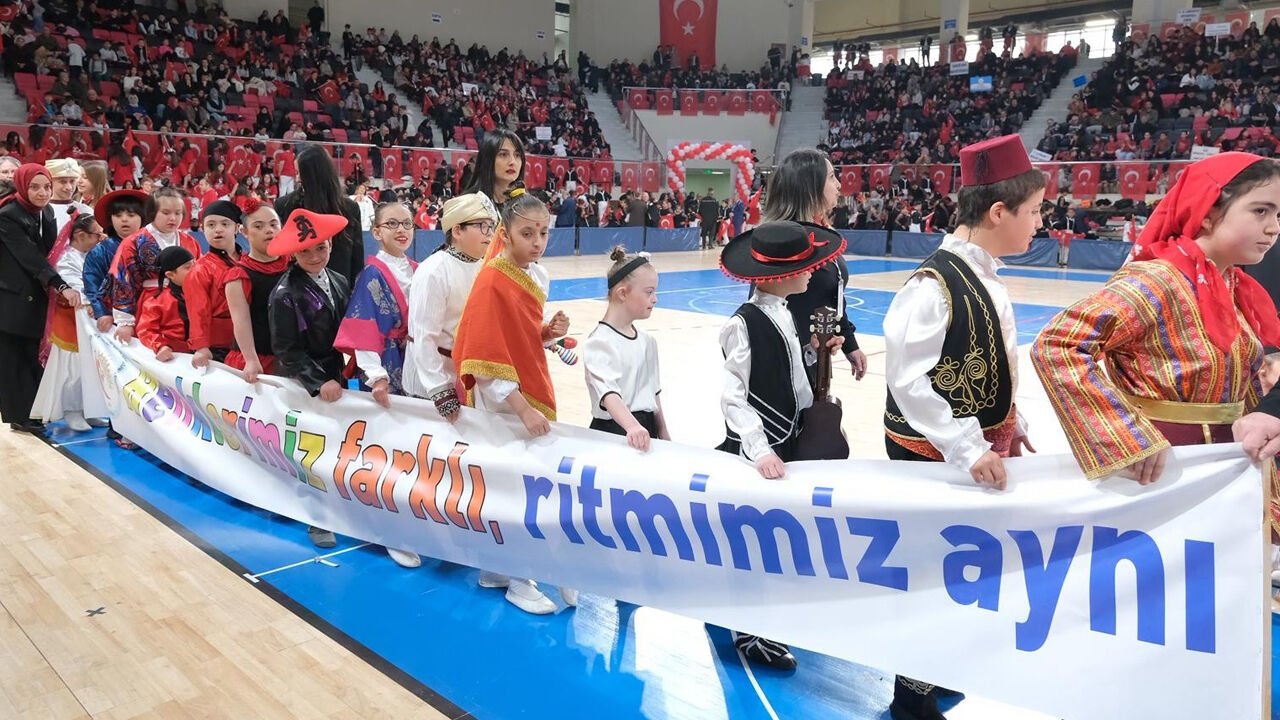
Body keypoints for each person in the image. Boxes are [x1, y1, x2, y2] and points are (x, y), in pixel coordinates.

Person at [883, 134, 1045, 720]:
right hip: (936, 453)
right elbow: (909, 380)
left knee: (962, 569)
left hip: (972, 446)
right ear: (998, 212)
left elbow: (990, 360)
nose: (1040, 223)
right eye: (1034, 211)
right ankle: (911, 694)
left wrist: (1011, 420)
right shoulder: (932, 286)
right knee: (931, 571)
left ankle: (935, 671)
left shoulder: (983, 274)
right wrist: (967, 445)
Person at [1033, 154, 1280, 492]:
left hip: (1226, 466)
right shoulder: (1156, 281)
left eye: (1278, 215)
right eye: (1260, 211)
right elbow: (1059, 343)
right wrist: (1125, 436)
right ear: (1207, 213)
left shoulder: (1234, 287)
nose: (1274, 228)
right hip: (1163, 470)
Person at [715, 220, 846, 671]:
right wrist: (759, 447)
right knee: (753, 541)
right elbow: (733, 395)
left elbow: (790, 377)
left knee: (774, 538)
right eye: (805, 267)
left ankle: (766, 618)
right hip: (760, 452)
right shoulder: (743, 325)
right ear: (777, 276)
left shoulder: (784, 313)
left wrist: (813, 352)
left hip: (786, 441)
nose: (812, 273)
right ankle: (748, 632)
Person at [453, 190, 575, 614]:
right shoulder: (492, 281)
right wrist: (523, 409)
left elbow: (518, 337)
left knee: (517, 484)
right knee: (513, 487)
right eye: (527, 233)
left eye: (543, 233)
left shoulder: (534, 275)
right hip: (504, 404)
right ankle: (519, 578)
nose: (537, 242)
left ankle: (495, 569)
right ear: (505, 234)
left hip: (523, 393)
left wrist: (547, 332)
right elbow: (485, 360)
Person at [332, 200, 421, 568]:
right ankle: (387, 530)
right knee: (386, 449)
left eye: (407, 223)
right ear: (377, 231)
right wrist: (377, 376)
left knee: (412, 449)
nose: (401, 230)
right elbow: (363, 326)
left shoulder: (419, 270)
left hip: (415, 365)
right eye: (392, 224)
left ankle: (410, 520)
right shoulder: (371, 274)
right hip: (386, 365)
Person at [268, 209, 353, 551]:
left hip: (335, 376)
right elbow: (285, 349)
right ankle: (316, 518)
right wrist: (317, 381)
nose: (315, 256)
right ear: (293, 253)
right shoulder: (284, 293)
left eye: (321, 247)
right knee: (309, 449)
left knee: (334, 444)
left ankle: (336, 505)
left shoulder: (339, 280)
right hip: (302, 383)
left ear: (330, 245)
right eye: (305, 251)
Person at [766, 149, 869, 390]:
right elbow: (766, 312)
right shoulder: (783, 241)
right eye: (831, 177)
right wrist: (807, 349)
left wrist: (849, 343)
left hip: (815, 358)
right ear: (809, 187)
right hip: (785, 368)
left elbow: (833, 297)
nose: (839, 185)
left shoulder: (822, 231)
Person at [403, 193, 498, 421]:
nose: (490, 234)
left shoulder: (486, 267)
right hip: (430, 382)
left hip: (467, 374)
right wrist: (440, 389)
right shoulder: (435, 270)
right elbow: (424, 336)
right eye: (483, 226)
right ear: (457, 231)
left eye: (492, 227)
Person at [0, 164, 79, 435]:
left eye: (46, 187)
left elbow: (51, 253)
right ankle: (20, 416)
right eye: (34, 187)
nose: (42, 193)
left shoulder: (46, 212)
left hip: (38, 294)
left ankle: (35, 412)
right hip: (11, 297)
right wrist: (60, 285)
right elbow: (29, 256)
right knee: (14, 358)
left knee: (33, 356)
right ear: (22, 186)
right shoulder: (7, 215)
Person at [583, 246, 669, 450]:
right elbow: (609, 394)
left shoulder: (648, 342)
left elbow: (653, 395)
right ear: (622, 293)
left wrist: (663, 432)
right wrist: (632, 426)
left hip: (645, 430)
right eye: (649, 292)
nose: (655, 299)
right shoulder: (599, 342)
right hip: (615, 432)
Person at [84, 188, 146, 448]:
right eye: (119, 215)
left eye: (131, 214)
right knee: (119, 375)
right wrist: (102, 313)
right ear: (110, 220)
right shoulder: (100, 251)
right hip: (115, 326)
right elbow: (91, 284)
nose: (125, 220)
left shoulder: (149, 247)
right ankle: (119, 424)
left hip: (147, 320)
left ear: (142, 217)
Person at [32, 214, 104, 432]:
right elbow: (71, 286)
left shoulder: (92, 254)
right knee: (73, 369)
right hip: (71, 321)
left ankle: (90, 409)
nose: (100, 238)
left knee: (92, 368)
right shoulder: (66, 259)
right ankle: (72, 410)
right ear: (80, 235)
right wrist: (90, 301)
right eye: (96, 234)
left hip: (91, 321)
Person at [110, 187, 202, 343]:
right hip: (152, 303)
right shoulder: (134, 242)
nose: (173, 218)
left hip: (187, 301)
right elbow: (123, 281)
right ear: (152, 213)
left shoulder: (190, 241)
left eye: (178, 213)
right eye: (166, 213)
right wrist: (125, 321)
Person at [275, 145, 363, 287]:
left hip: (339, 291)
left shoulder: (350, 208)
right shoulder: (285, 205)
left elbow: (356, 260)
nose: (297, 178)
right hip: (297, 291)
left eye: (299, 173)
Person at [224, 201, 286, 380]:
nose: (269, 230)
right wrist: (251, 359)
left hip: (293, 358)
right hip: (259, 359)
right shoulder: (238, 276)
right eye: (258, 226)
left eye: (274, 224)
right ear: (243, 231)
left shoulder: (294, 264)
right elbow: (241, 322)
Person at [186, 200, 243, 368]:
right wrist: (201, 347)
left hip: (252, 339)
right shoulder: (200, 269)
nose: (218, 229)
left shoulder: (249, 262)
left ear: (237, 228)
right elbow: (198, 311)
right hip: (218, 346)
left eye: (225, 224)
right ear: (203, 229)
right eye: (211, 225)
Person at [136, 246, 195, 361]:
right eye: (188, 267)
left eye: (195, 265)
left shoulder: (201, 294)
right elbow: (146, 330)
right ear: (170, 275)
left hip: (204, 353)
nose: (195, 270)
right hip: (175, 357)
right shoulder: (157, 302)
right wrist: (161, 346)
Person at [44, 158, 91, 234]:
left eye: (72, 181)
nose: (69, 187)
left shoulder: (86, 211)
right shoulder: (41, 212)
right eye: (63, 182)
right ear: (50, 182)